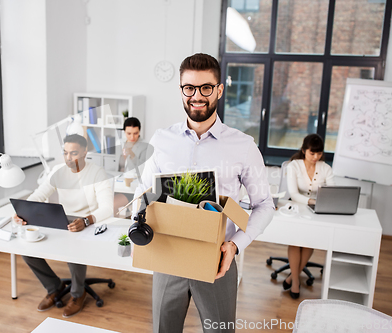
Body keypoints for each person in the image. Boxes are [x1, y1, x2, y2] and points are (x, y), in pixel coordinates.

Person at [133, 53, 274, 333]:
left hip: (217, 260)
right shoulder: (162, 139)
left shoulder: (243, 146)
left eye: (206, 88)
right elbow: (144, 189)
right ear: (181, 90)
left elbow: (265, 205)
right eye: (189, 88)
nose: (197, 96)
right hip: (167, 254)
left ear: (219, 90)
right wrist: (137, 216)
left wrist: (234, 246)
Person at [13, 134, 113, 318]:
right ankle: (54, 287)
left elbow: (107, 207)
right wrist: (23, 211)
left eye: (73, 153)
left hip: (88, 222)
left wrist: (86, 220)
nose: (68, 157)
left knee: (73, 249)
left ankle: (78, 293)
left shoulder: (97, 172)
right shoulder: (58, 170)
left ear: (84, 152)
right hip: (62, 220)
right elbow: (39, 195)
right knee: (27, 251)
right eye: (65, 153)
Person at [284, 133, 334, 299]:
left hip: (316, 211)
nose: (316, 157)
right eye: (312, 153)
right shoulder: (294, 166)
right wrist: (313, 201)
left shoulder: (326, 168)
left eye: (319, 154)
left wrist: (320, 203)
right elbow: (293, 193)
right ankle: (296, 283)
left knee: (309, 242)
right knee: (296, 242)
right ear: (304, 150)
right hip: (297, 209)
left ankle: (292, 276)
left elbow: (333, 193)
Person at [114, 117, 152, 216]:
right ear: (124, 132)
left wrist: (132, 155)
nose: (132, 137)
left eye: (135, 133)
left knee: (112, 204)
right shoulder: (121, 144)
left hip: (133, 188)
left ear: (139, 131)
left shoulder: (145, 146)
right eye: (129, 133)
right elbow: (117, 166)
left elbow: (142, 170)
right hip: (119, 184)